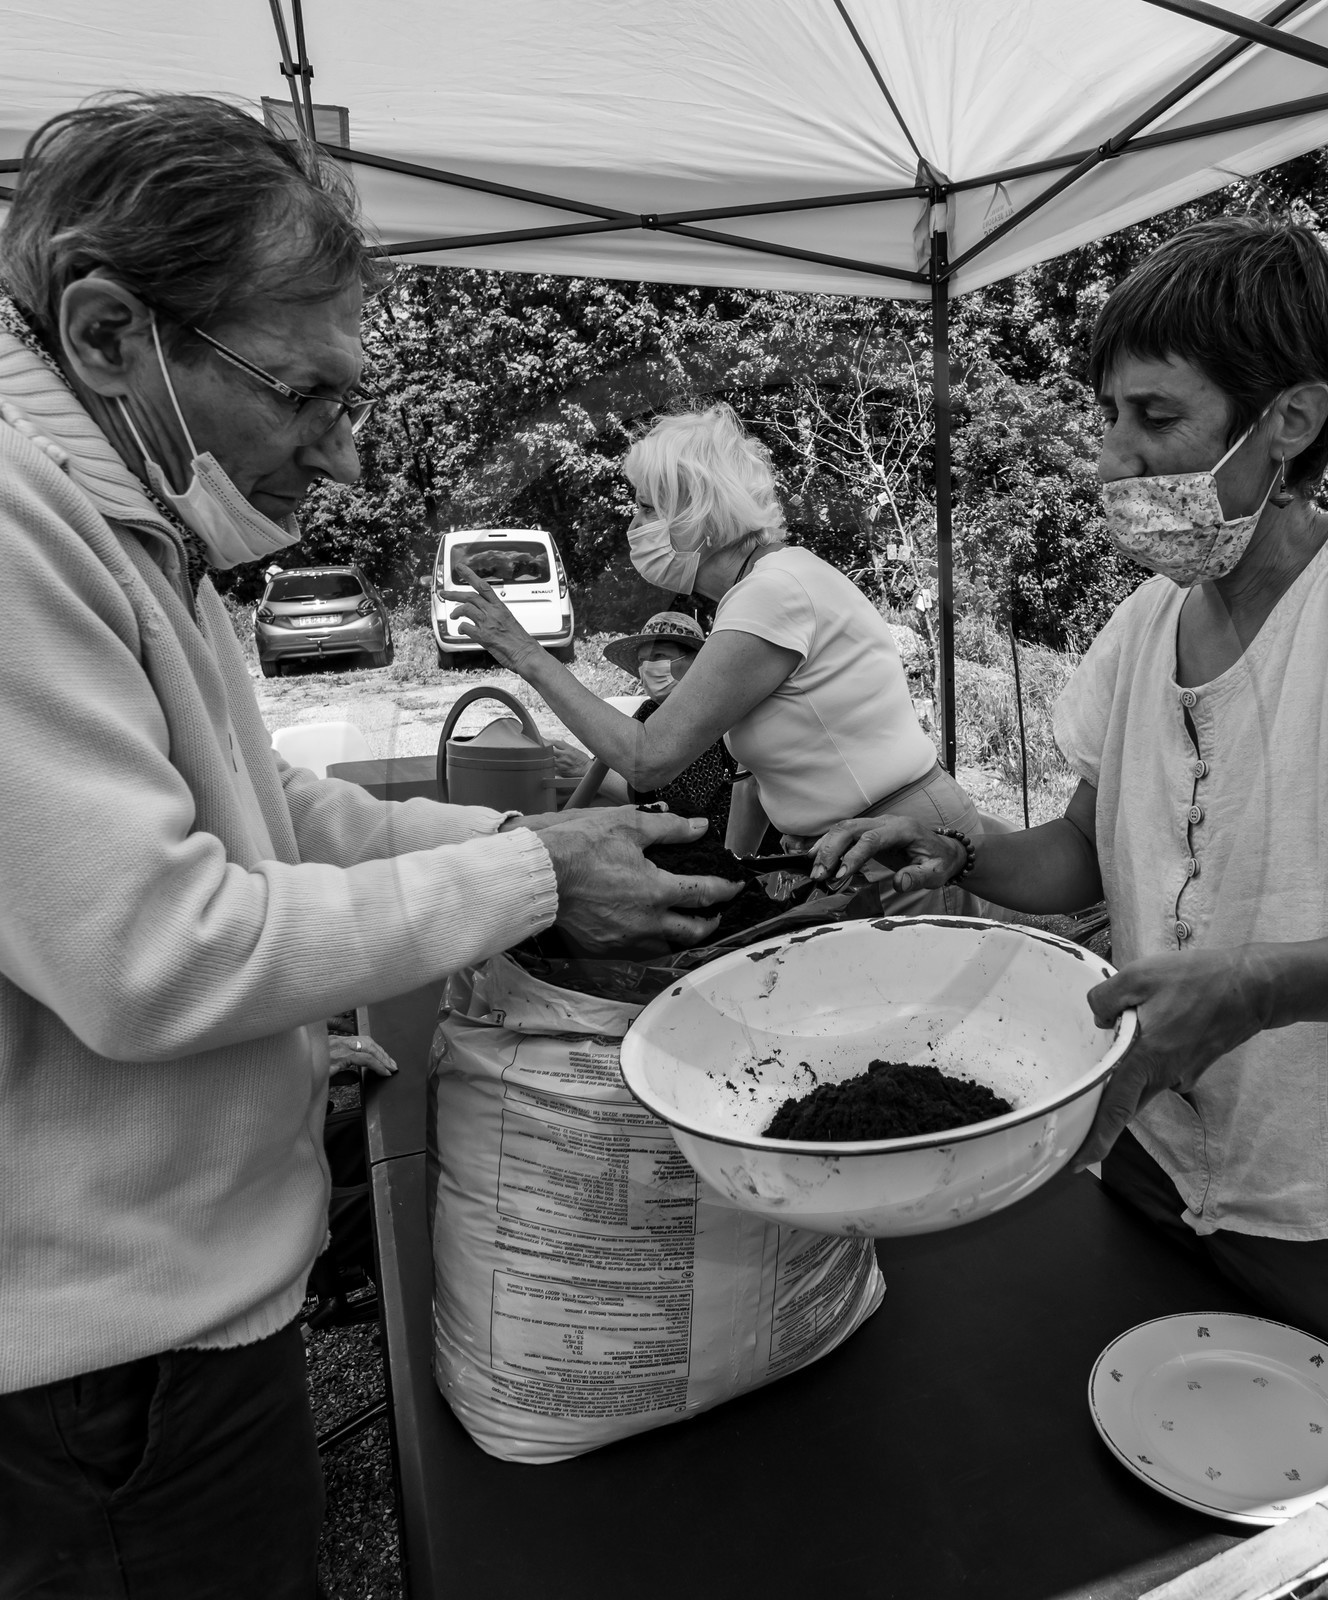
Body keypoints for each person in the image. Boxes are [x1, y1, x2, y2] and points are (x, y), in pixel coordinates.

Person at [0, 95, 737, 1600]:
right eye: (304, 396)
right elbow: (156, 951)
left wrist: (525, 838)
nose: (338, 462)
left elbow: (263, 806)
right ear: (106, 334)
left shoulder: (125, 519)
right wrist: (533, 876)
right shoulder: (18, 535)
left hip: (164, 1320)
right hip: (107, 1364)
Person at [806, 216, 1328, 1450]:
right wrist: (960, 851)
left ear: (1287, 419)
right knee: (1154, 1483)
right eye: (1108, 418)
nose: (1114, 461)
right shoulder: (1140, 627)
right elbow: (1082, 851)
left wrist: (1260, 984)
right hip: (1152, 1162)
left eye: (1157, 420)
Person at [445, 403, 992, 915]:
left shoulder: (771, 594)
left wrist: (525, 653)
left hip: (902, 849)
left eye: (646, 508)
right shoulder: (769, 585)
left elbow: (645, 757)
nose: (634, 527)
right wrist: (736, 873)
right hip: (857, 846)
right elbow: (753, 776)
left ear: (697, 513)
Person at [601, 610, 739, 838]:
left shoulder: (711, 711)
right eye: (642, 660)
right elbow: (616, 756)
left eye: (659, 656)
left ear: (695, 661)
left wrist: (583, 768)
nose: (648, 667)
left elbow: (676, 802)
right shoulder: (649, 710)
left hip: (709, 840)